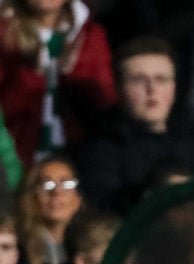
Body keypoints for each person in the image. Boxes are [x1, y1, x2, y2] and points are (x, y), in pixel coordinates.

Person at [76, 35, 194, 214]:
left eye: (161, 79)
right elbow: (102, 211)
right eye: (138, 80)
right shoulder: (100, 150)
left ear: (174, 88)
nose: (151, 89)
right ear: (118, 89)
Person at [0, 0, 117, 166]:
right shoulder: (4, 34)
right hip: (18, 152)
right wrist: (33, 75)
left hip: (79, 151)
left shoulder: (90, 35)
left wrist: (71, 73)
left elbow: (105, 101)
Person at [15, 153, 83, 264]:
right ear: (31, 197)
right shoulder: (17, 250)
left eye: (66, 184)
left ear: (78, 198)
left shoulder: (87, 246)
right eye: (47, 184)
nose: (57, 192)